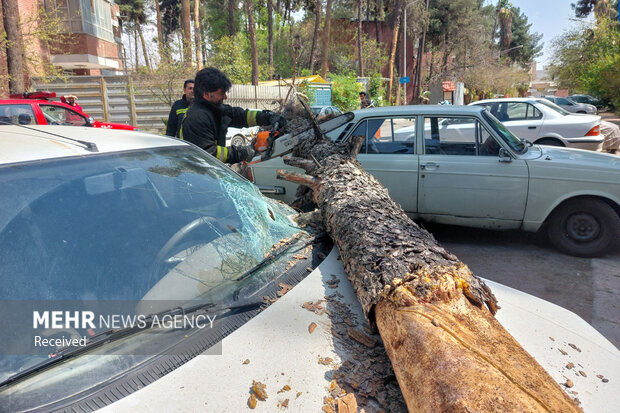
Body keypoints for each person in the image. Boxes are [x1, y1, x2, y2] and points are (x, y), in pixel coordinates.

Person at [180, 67, 286, 164]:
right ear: (206, 94)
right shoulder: (196, 118)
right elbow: (208, 154)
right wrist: (240, 153)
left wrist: (267, 117)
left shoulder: (213, 108)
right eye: (221, 93)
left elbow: (241, 116)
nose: (225, 97)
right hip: (197, 176)